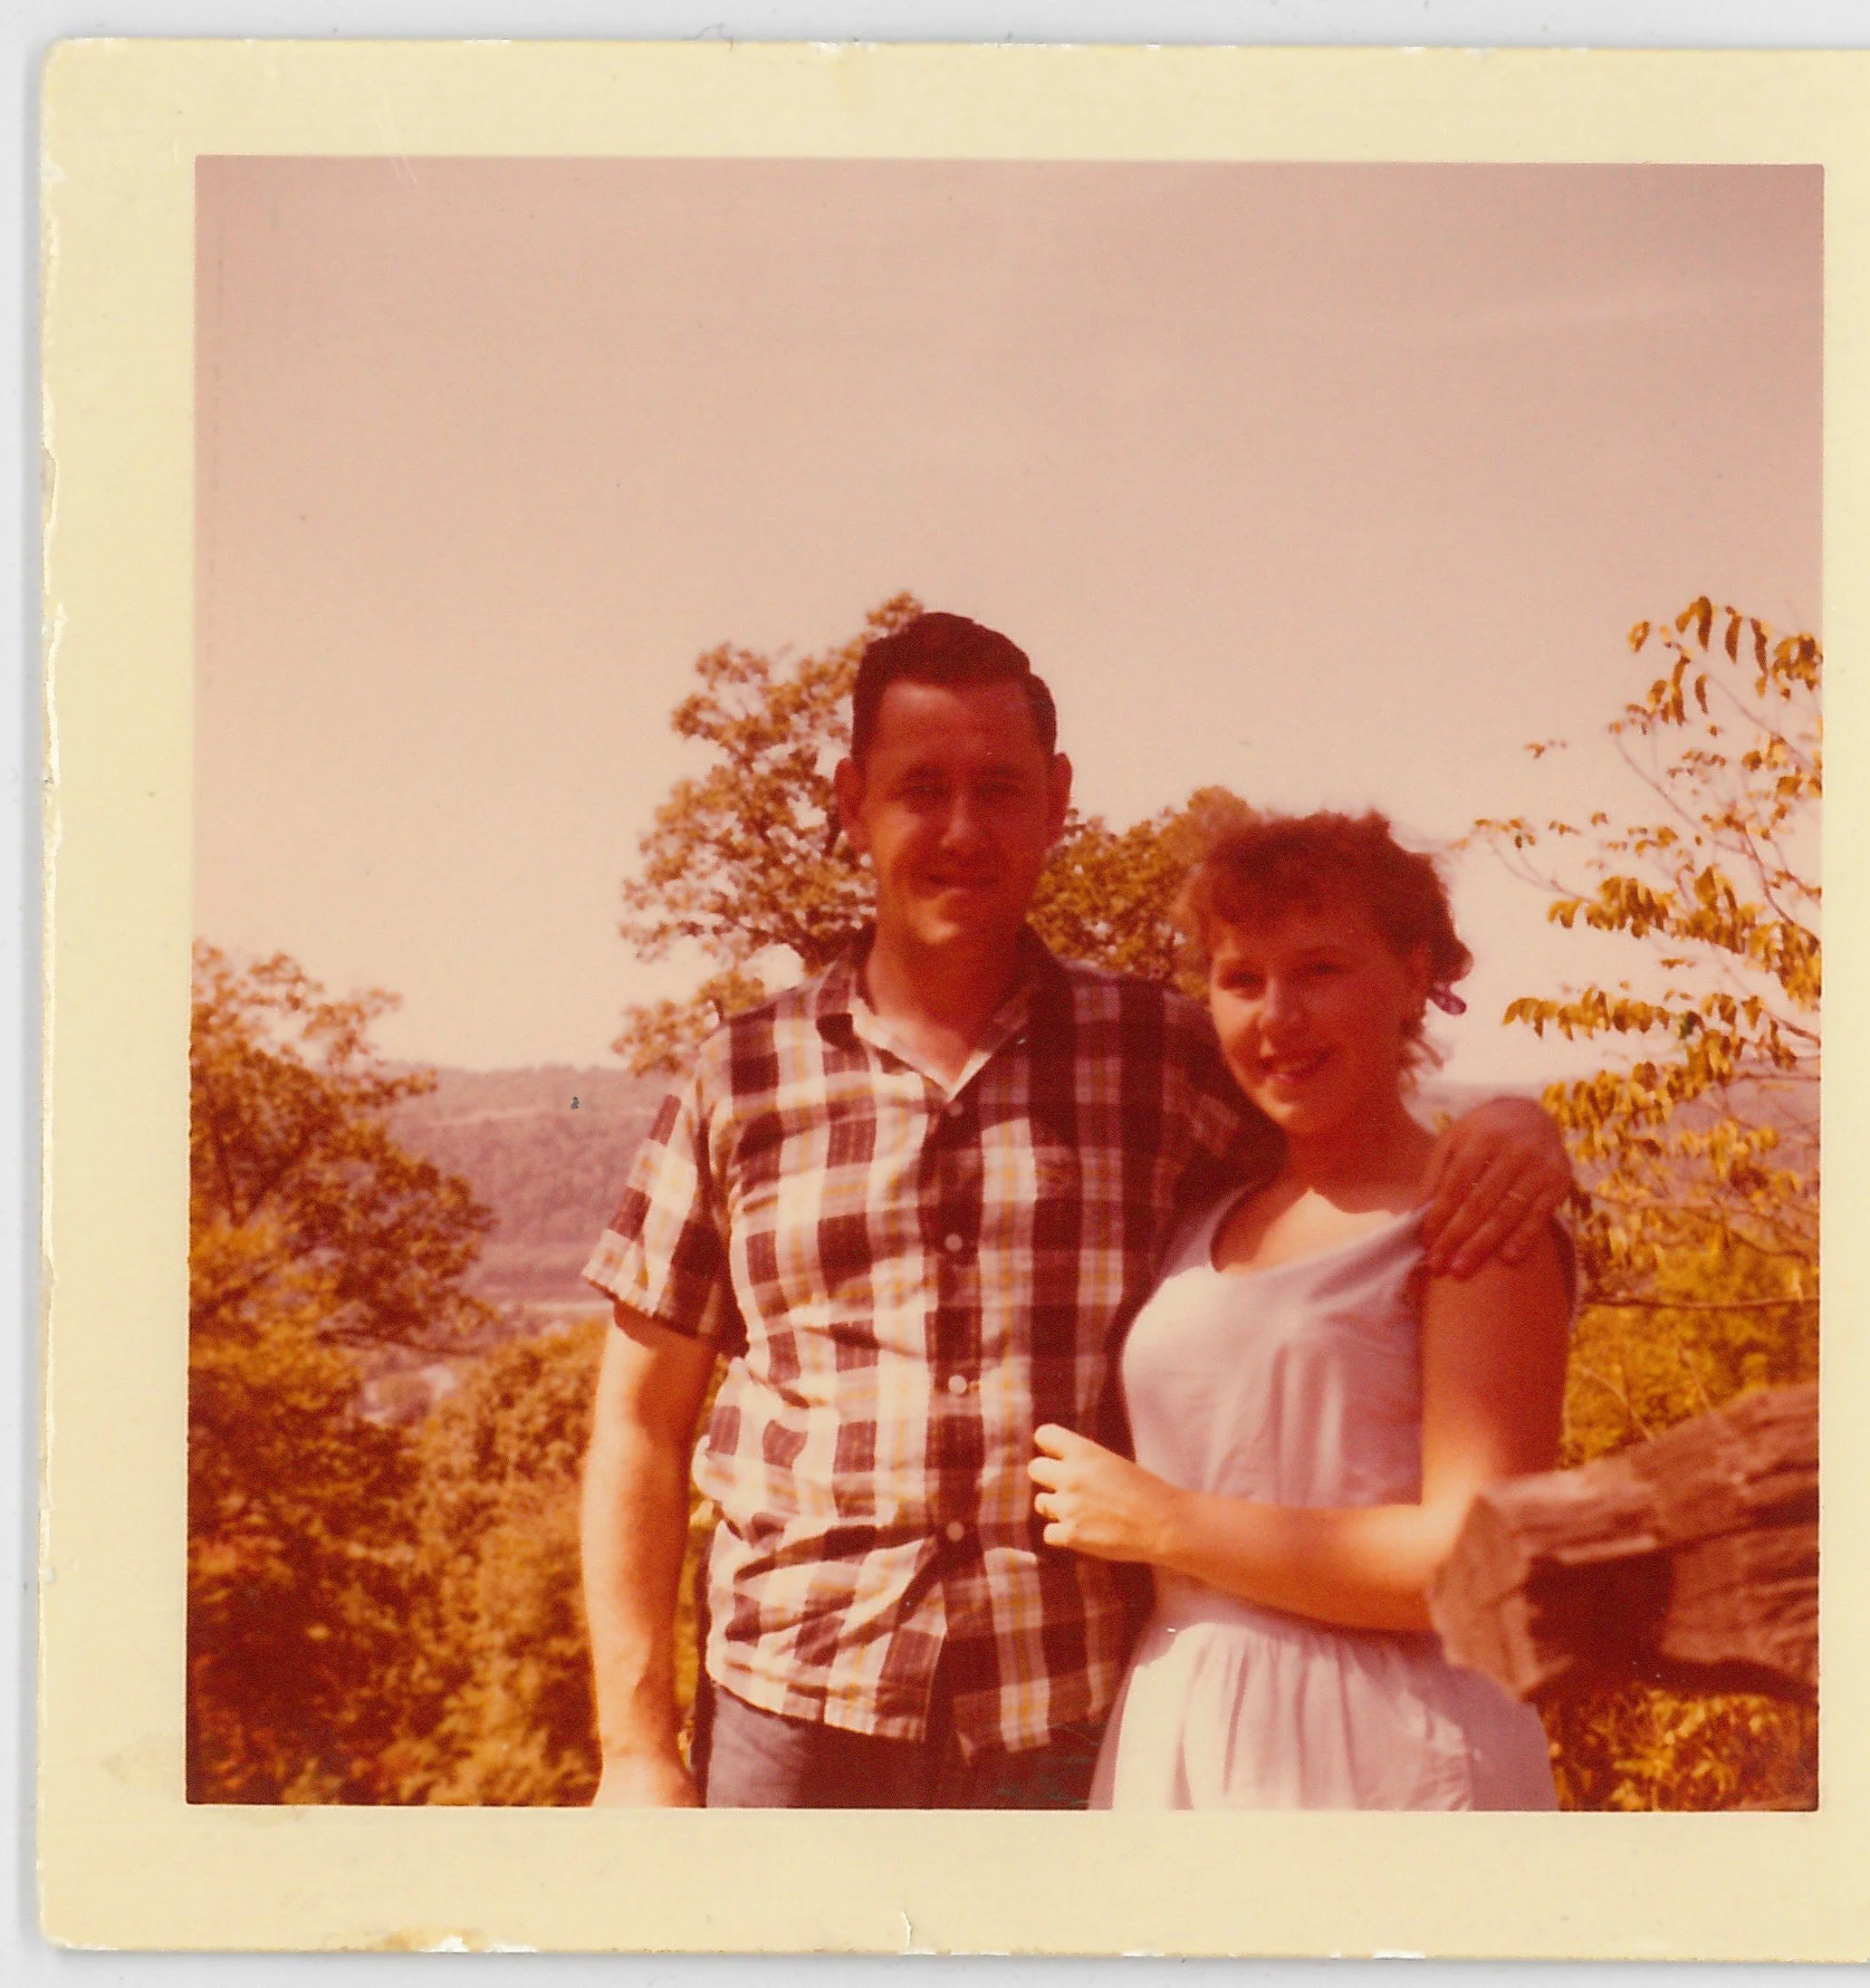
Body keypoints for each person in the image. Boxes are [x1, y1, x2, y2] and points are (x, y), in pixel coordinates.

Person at [580, 613, 1572, 1809]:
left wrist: (1522, 1129)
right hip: (794, 1714)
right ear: (851, 802)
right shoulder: (742, 1077)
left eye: (998, 788)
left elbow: (1372, 1166)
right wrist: (636, 1748)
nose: (960, 828)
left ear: (1055, 802)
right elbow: (639, 1421)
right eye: (919, 788)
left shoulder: (1164, 1055)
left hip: (1068, 1720)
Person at [1028, 812, 1569, 1810]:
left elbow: (1477, 1561)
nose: (1279, 1016)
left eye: (1320, 970)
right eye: (1242, 980)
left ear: (1413, 977)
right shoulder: (1206, 1207)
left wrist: (1170, 1523)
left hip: (1388, 1750)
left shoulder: (1471, 1221)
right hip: (1185, 1720)